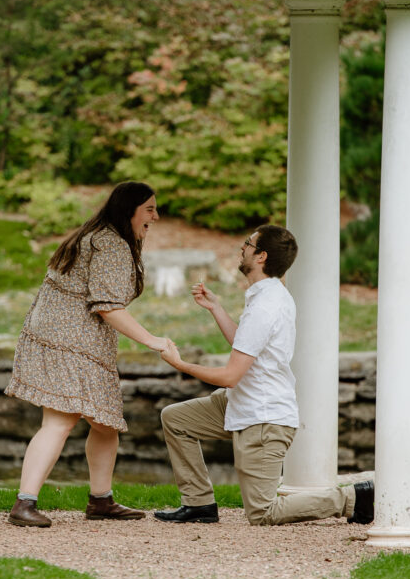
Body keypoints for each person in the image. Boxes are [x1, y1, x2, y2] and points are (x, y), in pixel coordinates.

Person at [155, 225, 374, 526]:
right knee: (176, 419)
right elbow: (245, 344)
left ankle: (353, 499)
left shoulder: (267, 305)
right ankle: (198, 504)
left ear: (261, 256)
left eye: (248, 244)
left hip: (263, 418)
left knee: (262, 512)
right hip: (241, 403)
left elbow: (231, 375)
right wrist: (216, 308)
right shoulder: (264, 296)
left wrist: (180, 364)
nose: (241, 248)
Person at [4, 181, 172, 528]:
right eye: (150, 209)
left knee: (105, 422)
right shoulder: (110, 243)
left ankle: (101, 500)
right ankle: (24, 503)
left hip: (66, 335)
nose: (156, 216)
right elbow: (108, 306)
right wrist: (153, 340)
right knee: (60, 421)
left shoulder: (98, 235)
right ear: (130, 210)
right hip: (71, 340)